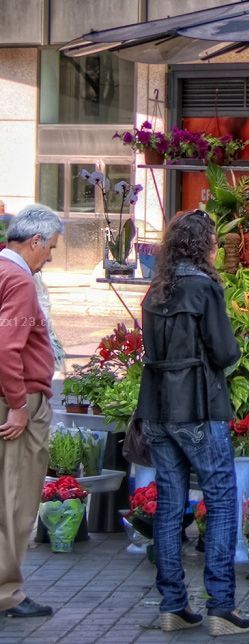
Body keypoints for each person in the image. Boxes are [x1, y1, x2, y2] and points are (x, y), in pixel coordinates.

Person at [135, 210, 249, 636]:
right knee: (221, 500)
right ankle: (220, 606)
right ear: (204, 247)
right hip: (198, 408)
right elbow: (224, 353)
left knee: (170, 505)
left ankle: (172, 606)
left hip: (158, 409)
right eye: (215, 243)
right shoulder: (204, 289)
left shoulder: (156, 291)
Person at [0, 205, 63, 618]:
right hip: (18, 400)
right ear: (34, 241)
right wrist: (20, 406)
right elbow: (8, 347)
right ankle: (7, 593)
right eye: (51, 248)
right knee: (16, 501)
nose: (51, 257)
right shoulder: (20, 279)